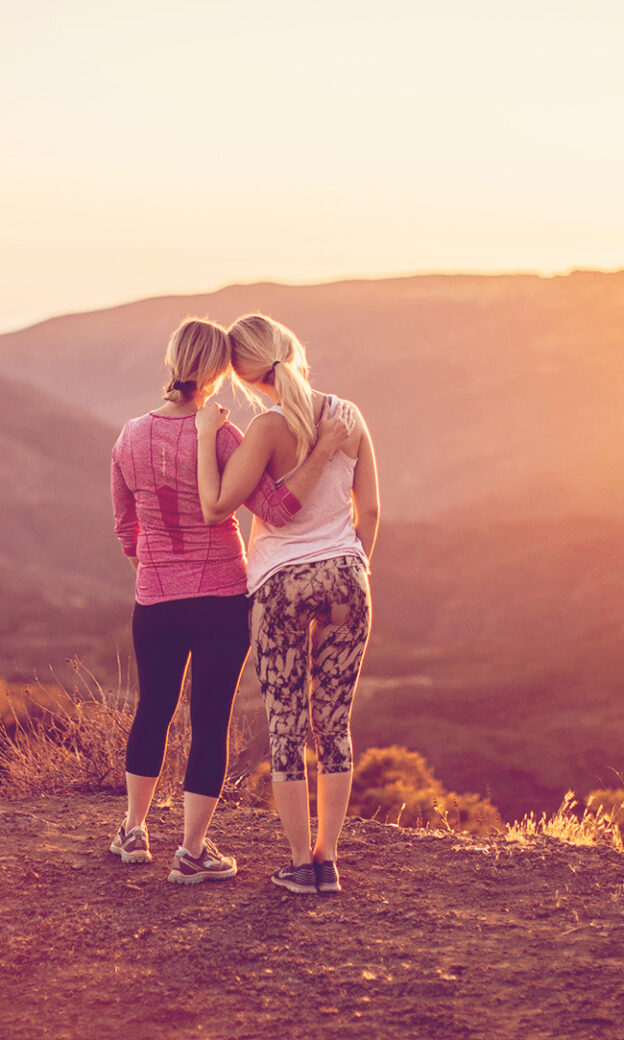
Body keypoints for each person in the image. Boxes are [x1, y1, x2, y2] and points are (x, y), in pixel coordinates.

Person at [109, 316, 349, 885]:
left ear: (171, 362)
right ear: (220, 373)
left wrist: (156, 568)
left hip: (157, 598)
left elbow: (125, 527)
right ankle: (192, 851)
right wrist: (322, 454)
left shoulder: (129, 437)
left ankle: (133, 831)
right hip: (221, 597)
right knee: (209, 719)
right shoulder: (224, 437)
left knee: (153, 708)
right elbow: (277, 509)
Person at [196, 312, 379, 894]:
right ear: (293, 349)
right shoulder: (349, 417)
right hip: (348, 577)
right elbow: (368, 511)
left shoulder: (267, 431)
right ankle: (329, 858)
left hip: (280, 586)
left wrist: (205, 438)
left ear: (246, 379)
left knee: (287, 724)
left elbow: (228, 504)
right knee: (334, 723)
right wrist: (354, 569)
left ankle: (302, 864)